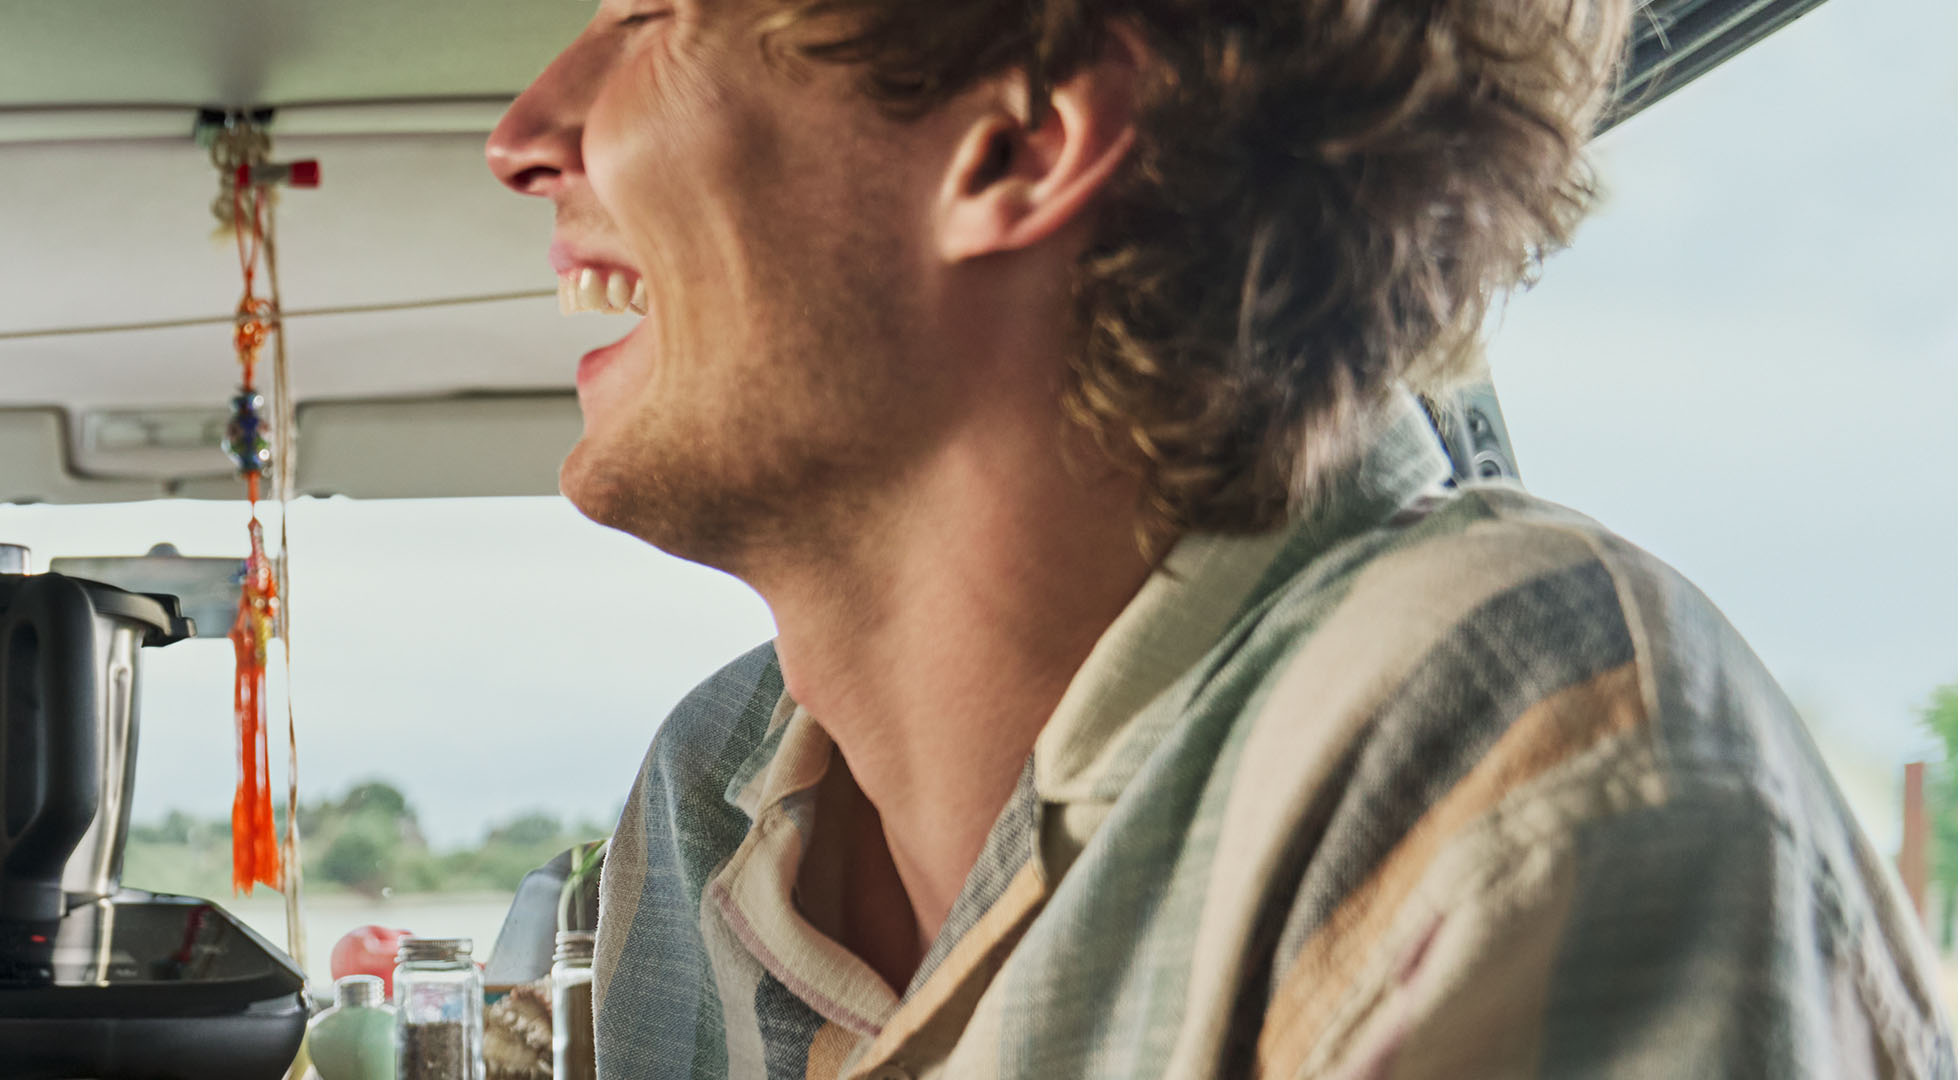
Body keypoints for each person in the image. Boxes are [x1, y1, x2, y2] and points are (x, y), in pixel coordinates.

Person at [484, 0, 1950, 1076]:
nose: (524, 134)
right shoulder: (713, 795)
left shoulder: (1526, 761)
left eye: (653, 16)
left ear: (1021, 141)